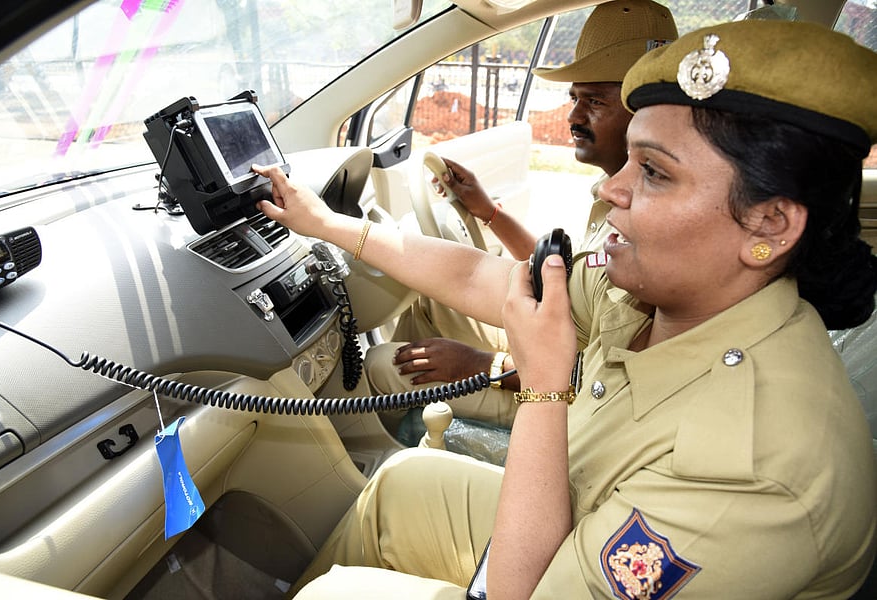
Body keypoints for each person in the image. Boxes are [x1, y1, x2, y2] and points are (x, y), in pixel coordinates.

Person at [253, 17, 877, 599]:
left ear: (769, 222)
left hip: (547, 570)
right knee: (394, 488)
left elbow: (520, 593)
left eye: (655, 173)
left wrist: (545, 388)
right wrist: (330, 225)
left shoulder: (754, 473)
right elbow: (481, 274)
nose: (613, 188)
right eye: (629, 158)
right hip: (580, 508)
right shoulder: (656, 295)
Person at [367, 0, 678, 435]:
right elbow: (565, 276)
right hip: (559, 339)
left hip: (569, 398)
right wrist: (489, 211)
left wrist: (481, 365)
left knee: (383, 365)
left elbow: (599, 375)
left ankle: (404, 446)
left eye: (595, 101)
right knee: (430, 296)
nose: (572, 116)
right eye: (574, 98)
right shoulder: (616, 192)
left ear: (645, 111)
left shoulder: (659, 222)